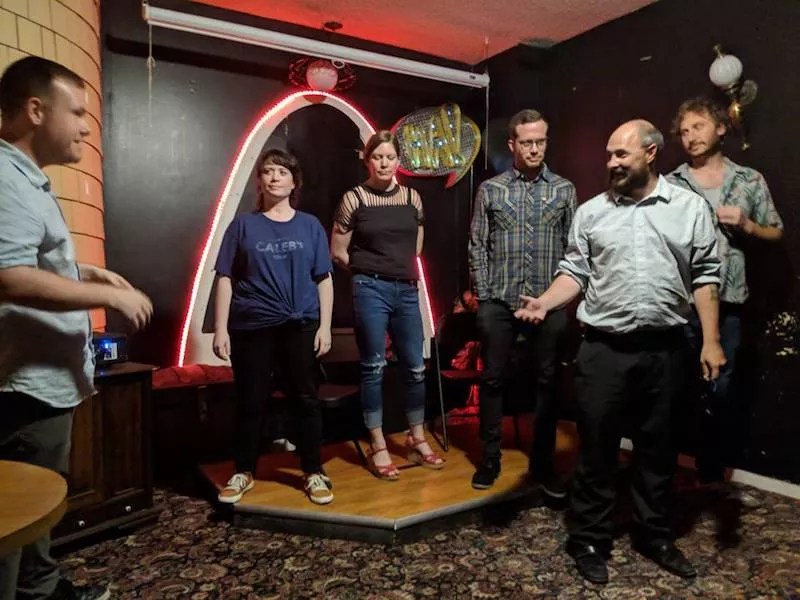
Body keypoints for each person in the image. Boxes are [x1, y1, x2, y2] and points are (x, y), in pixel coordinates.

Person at [516, 120, 724, 584]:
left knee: (659, 450)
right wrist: (546, 302)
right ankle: (589, 539)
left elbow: (706, 275)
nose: (611, 162)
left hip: (666, 350)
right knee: (596, 450)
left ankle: (655, 535)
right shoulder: (591, 213)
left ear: (650, 153)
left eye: (621, 154)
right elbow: (575, 271)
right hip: (603, 350)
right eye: (609, 154)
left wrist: (711, 341)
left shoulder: (689, 208)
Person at [0, 57, 153, 600]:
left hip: (44, 386)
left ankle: (41, 589)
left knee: (37, 505)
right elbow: (9, 277)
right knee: (13, 517)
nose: (87, 128)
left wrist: (84, 271)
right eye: (78, 113)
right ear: (36, 110)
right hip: (24, 391)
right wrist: (109, 295)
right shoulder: (5, 179)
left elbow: (31, 260)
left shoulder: (25, 180)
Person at [667, 97, 784, 507]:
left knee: (720, 388)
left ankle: (710, 473)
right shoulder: (671, 184)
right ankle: (666, 472)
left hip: (730, 300)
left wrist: (748, 225)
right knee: (674, 386)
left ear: (720, 128)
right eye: (684, 131)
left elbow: (776, 231)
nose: (690, 137)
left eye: (697, 126)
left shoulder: (749, 180)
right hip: (680, 302)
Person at [212, 148, 334, 506]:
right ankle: (243, 470)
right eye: (268, 171)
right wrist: (220, 328)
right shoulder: (243, 226)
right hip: (252, 325)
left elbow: (324, 278)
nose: (275, 177)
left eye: (282, 171)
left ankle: (313, 470)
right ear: (260, 181)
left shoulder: (310, 225)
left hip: (300, 324)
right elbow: (225, 277)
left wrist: (325, 327)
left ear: (294, 182)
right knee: (250, 400)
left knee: (305, 399)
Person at [467, 109, 576, 493]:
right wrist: (484, 297)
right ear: (512, 144)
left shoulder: (564, 189)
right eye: (527, 142)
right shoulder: (491, 190)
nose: (534, 149)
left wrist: (557, 298)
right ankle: (490, 458)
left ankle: (543, 463)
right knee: (492, 378)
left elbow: (573, 248)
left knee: (548, 381)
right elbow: (477, 244)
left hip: (548, 302)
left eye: (540, 141)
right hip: (500, 302)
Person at [330, 130, 444, 480]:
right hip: (371, 288)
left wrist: (397, 267)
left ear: (398, 161)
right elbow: (338, 250)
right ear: (368, 160)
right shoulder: (354, 198)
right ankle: (378, 442)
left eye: (390, 157)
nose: (384, 163)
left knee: (415, 366)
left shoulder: (412, 198)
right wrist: (366, 273)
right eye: (377, 157)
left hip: (406, 288)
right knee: (374, 366)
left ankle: (416, 437)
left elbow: (417, 244)